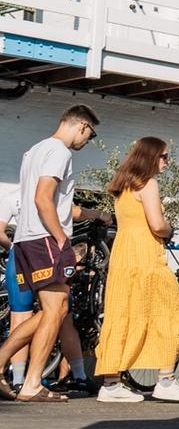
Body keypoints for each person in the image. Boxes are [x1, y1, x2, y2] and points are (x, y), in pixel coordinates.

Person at [93, 137, 179, 404]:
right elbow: (157, 225)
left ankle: (111, 382)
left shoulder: (123, 187)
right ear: (151, 157)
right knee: (170, 314)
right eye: (164, 156)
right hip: (145, 256)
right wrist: (169, 227)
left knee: (124, 314)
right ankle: (165, 379)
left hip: (124, 255)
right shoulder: (148, 184)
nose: (167, 162)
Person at [9, 105, 100, 402]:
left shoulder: (34, 150)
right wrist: (62, 241)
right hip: (45, 238)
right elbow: (42, 198)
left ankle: (1, 363)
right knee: (58, 309)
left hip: (26, 239)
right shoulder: (60, 152)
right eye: (90, 135)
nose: (87, 141)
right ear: (82, 126)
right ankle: (32, 383)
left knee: (53, 311)